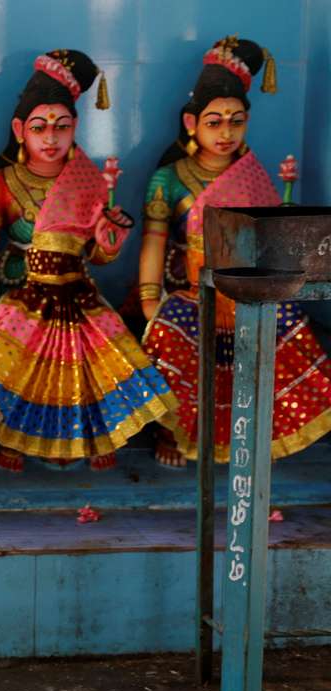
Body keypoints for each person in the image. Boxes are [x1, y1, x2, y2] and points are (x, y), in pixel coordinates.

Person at [0, 49, 176, 472]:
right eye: (40, 127)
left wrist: (109, 242)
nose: (51, 138)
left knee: (97, 360)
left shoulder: (88, 181)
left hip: (77, 289)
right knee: (17, 363)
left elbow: (97, 257)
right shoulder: (0, 184)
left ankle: (91, 437)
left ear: (75, 128)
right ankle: (14, 437)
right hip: (20, 290)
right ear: (19, 130)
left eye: (62, 127)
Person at [138, 36, 331, 467]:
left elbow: (268, 246)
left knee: (288, 330)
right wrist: (150, 297)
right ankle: (176, 432)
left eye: (236, 121)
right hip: (188, 290)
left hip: (244, 290)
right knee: (171, 336)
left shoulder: (253, 175)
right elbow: (152, 241)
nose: (226, 133)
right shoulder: (169, 178)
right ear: (191, 123)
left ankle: (263, 432)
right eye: (214, 121)